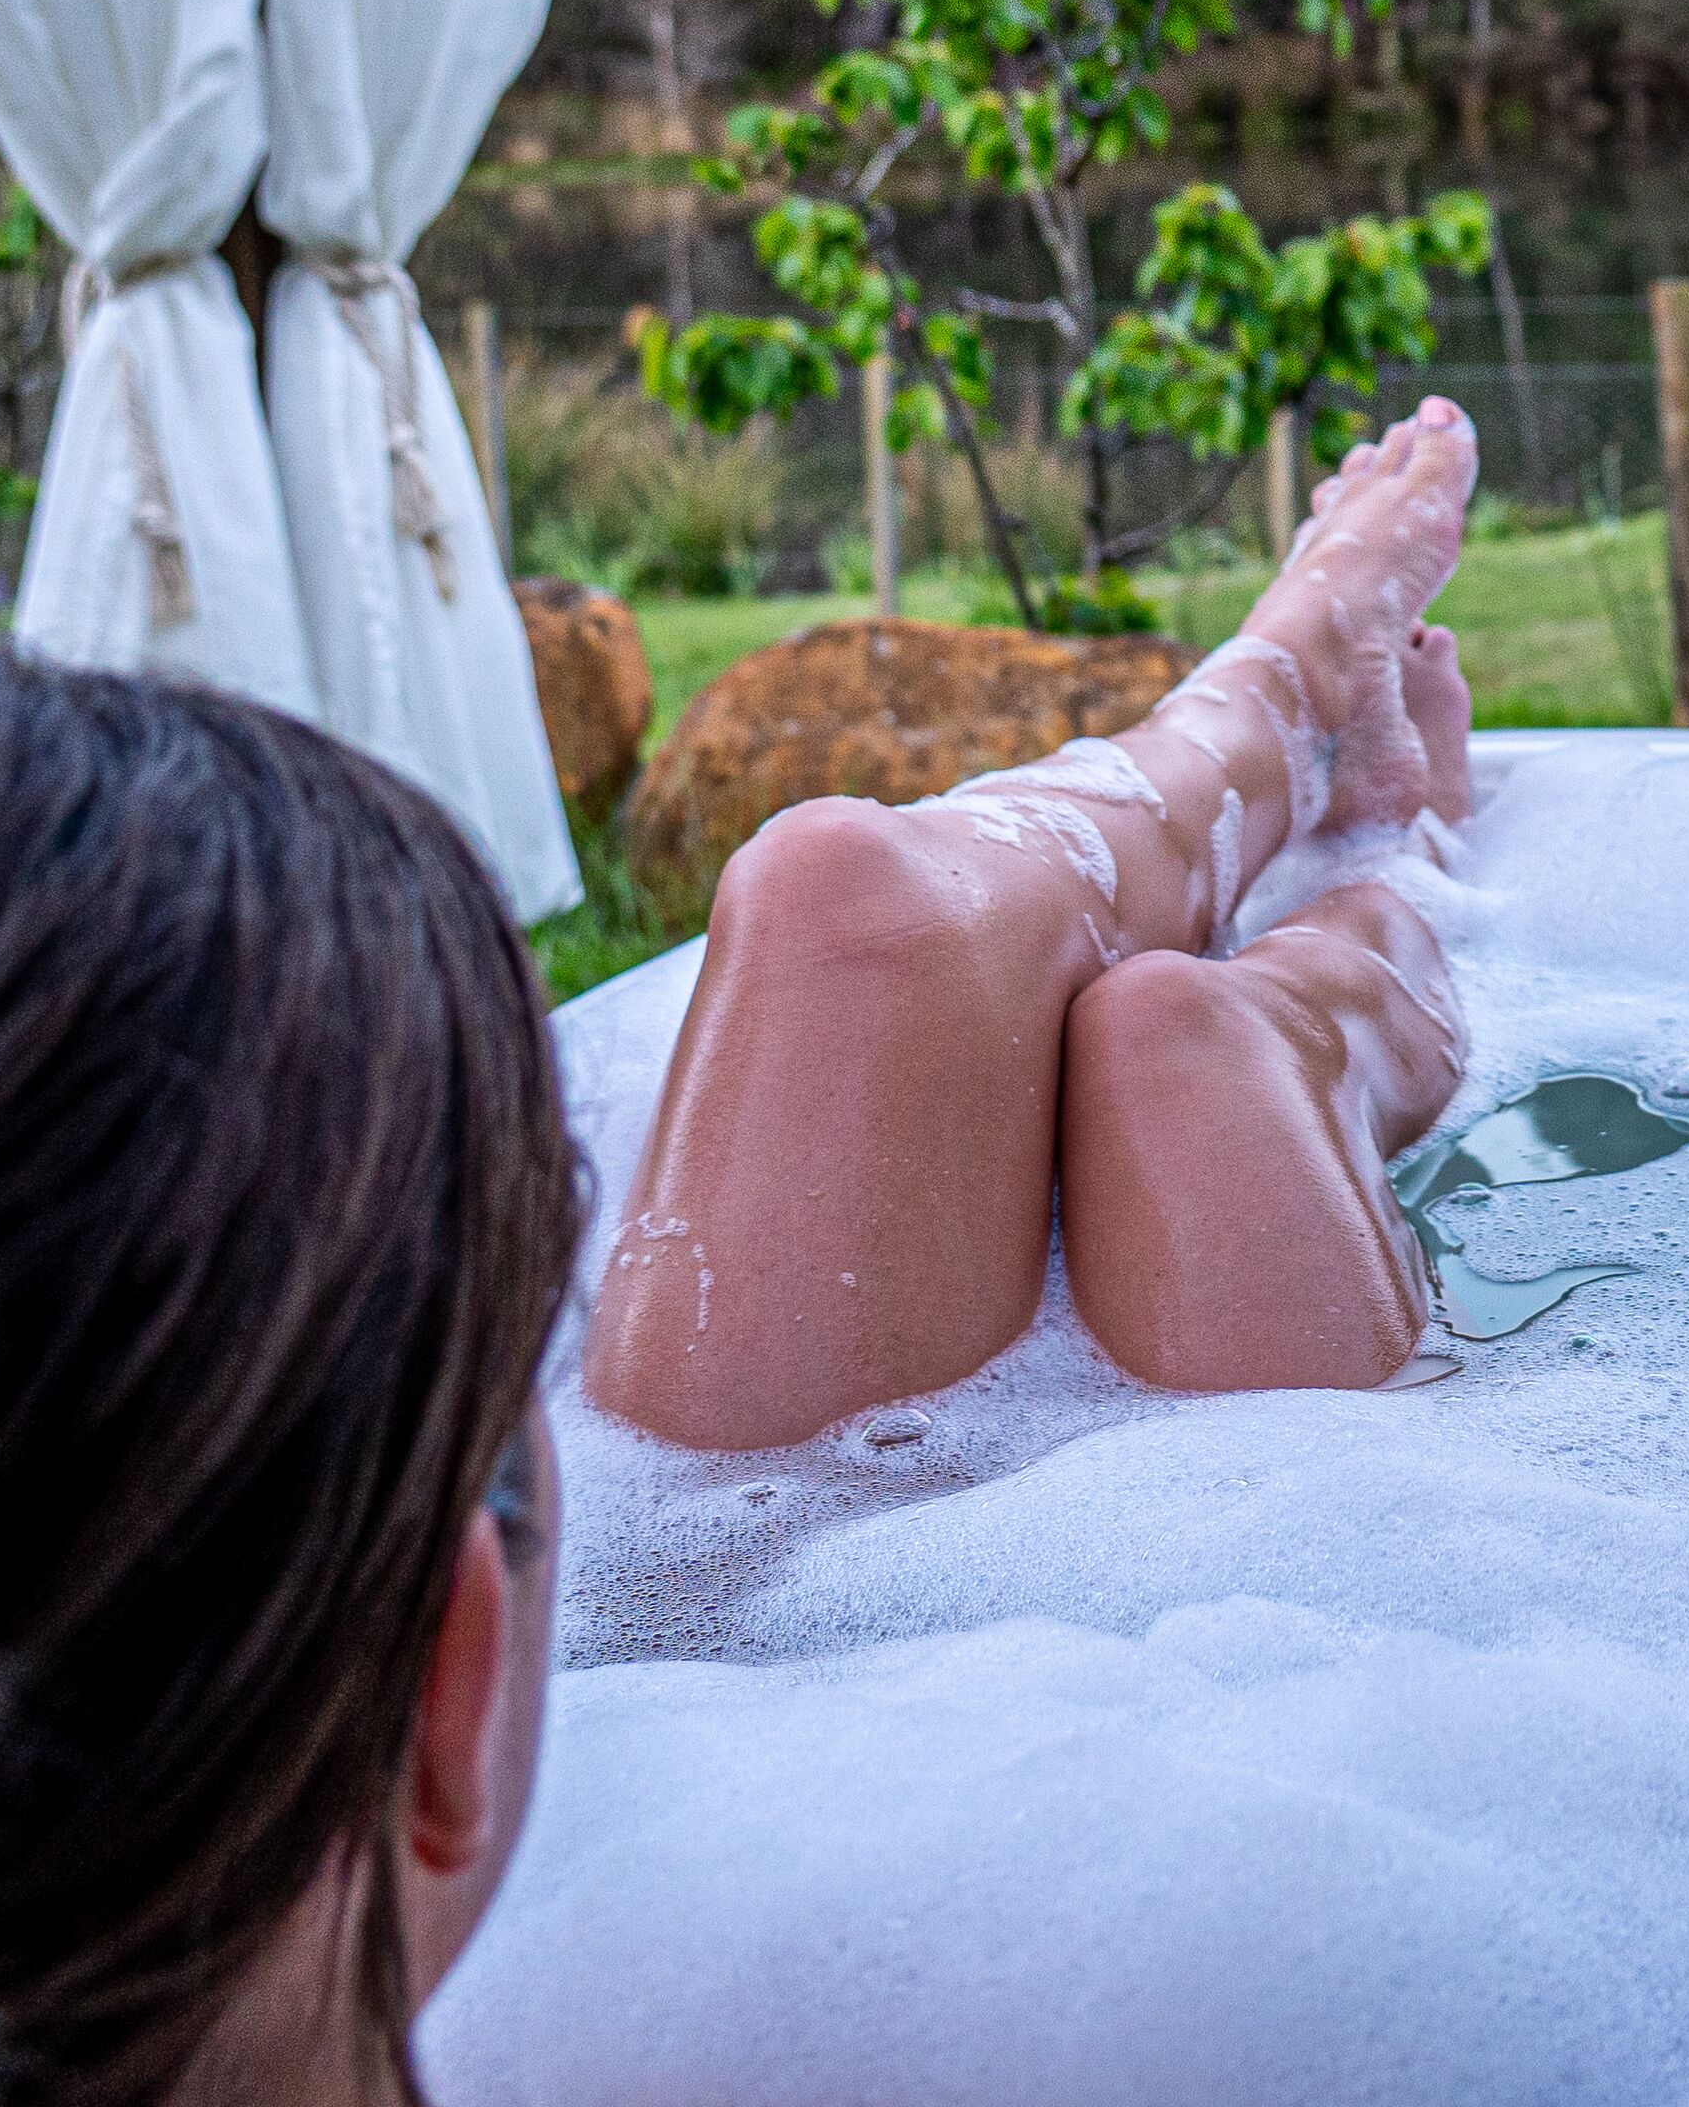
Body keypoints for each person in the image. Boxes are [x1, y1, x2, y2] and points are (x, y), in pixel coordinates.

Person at [0, 642, 1185, 2107]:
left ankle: (1253, 812)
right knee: (868, 939)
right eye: (533, 1345)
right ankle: (1306, 903)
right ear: (446, 1684)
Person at [583, 398, 1484, 1447]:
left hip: (742, 1547)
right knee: (1175, 1040)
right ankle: (1363, 820)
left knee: (834, 890)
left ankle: (1291, 707)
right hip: (1276, 1556)